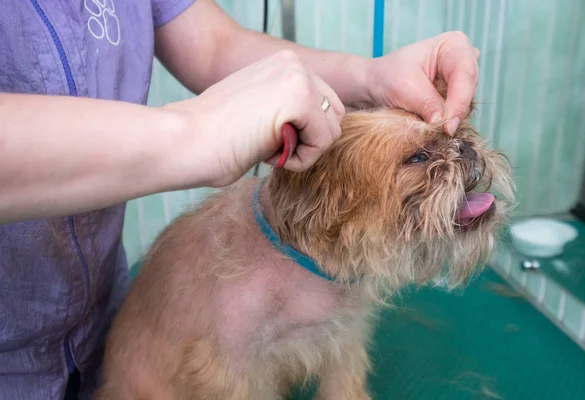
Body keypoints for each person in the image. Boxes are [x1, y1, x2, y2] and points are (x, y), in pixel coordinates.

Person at [0, 1, 479, 398]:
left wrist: (371, 75)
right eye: (418, 159)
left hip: (95, 331)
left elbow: (212, 44)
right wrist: (196, 133)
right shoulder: (244, 286)